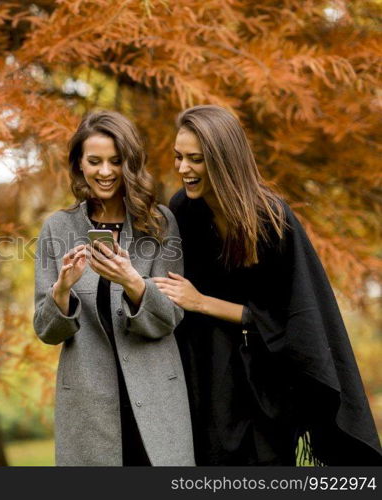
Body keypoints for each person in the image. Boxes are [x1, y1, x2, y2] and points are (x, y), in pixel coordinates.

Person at [155, 104, 382, 465]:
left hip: (266, 382)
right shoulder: (183, 210)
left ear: (223, 159)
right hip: (206, 375)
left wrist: (202, 302)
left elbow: (292, 317)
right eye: (178, 157)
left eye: (195, 159)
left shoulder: (271, 219)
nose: (183, 169)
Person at [33, 110, 194, 466]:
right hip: (89, 406)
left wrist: (132, 282)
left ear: (129, 164)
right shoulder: (58, 228)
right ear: (79, 164)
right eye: (94, 161)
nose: (105, 172)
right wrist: (61, 291)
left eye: (115, 161)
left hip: (156, 400)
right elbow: (46, 330)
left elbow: (170, 316)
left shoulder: (159, 222)